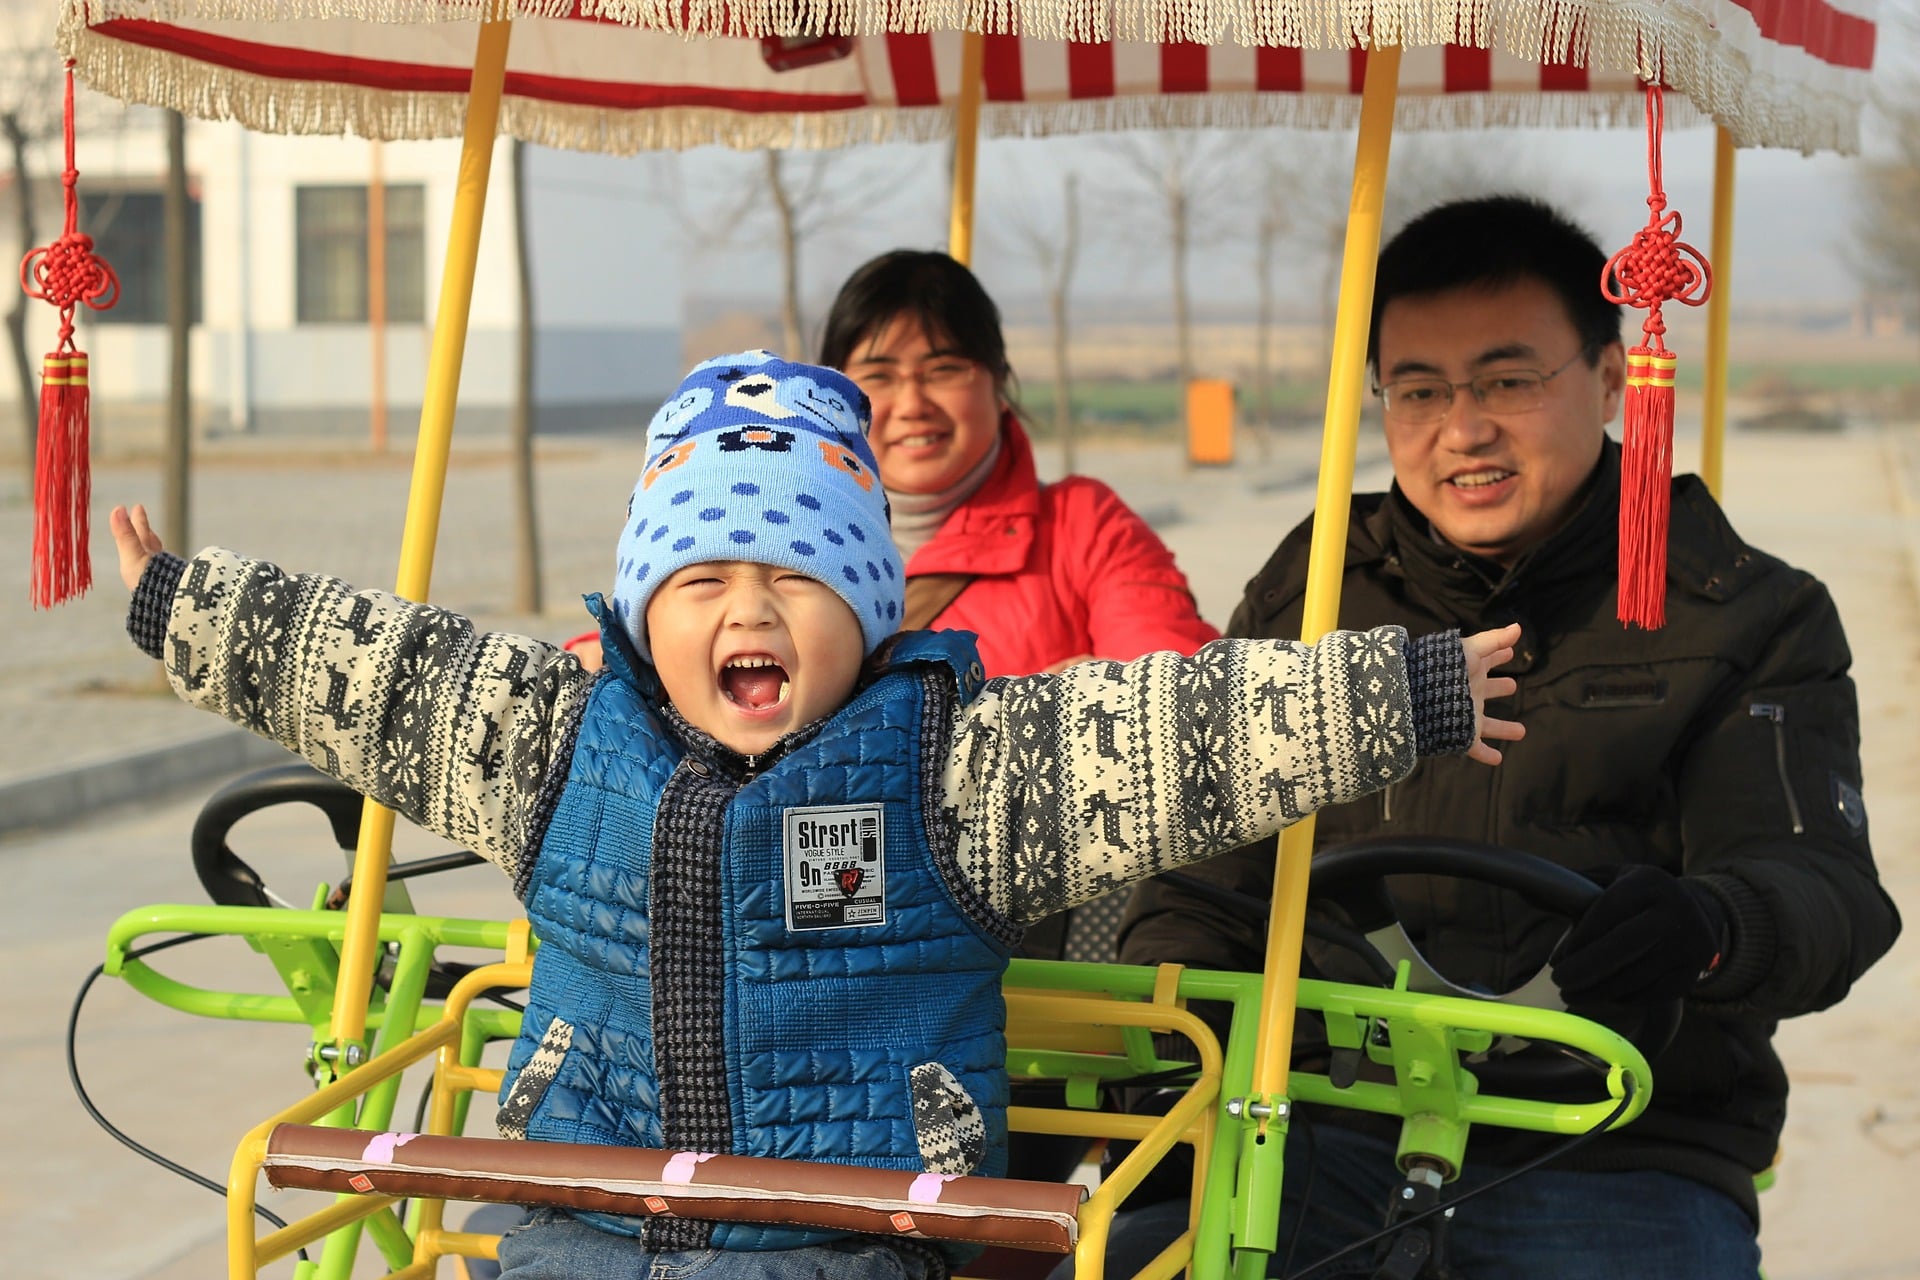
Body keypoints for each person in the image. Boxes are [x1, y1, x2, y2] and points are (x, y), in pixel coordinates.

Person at [110, 351, 1523, 1280]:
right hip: (575, 1204)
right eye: (701, 581)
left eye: (796, 582)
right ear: (638, 611)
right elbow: (394, 676)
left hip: (843, 1223)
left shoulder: (956, 770)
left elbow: (1169, 736)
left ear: (866, 614)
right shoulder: (551, 741)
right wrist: (193, 606)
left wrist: (1404, 690)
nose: (748, 612)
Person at [1095, 196, 1901, 1280]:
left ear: (1614, 380)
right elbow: (1205, 878)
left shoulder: (1747, 611)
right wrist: (1161, 1049)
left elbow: (1825, 888)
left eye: (1509, 382)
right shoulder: (1317, 586)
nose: (1461, 429)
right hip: (1321, 1119)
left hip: (1615, 1142)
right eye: (1419, 390)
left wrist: (1710, 925)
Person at [817, 249, 1221, 677]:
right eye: (879, 376)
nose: (913, 404)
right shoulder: (786, 542)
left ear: (999, 383)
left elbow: (1169, 701)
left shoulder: (1086, 528)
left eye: (944, 370)